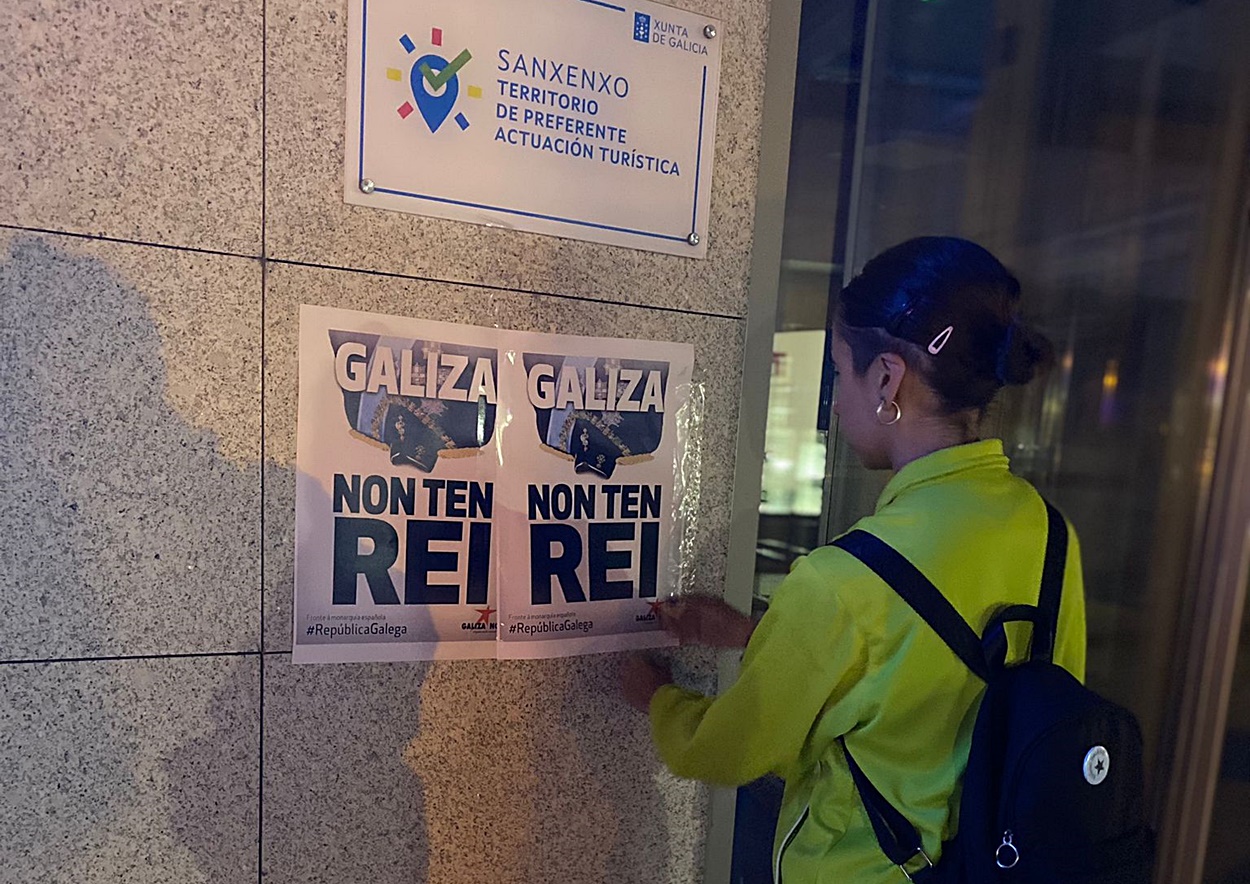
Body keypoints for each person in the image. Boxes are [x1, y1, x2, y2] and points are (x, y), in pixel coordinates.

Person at [620, 237, 1087, 883]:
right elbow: (965, 681)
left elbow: (726, 751)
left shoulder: (844, 578)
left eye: (841, 371)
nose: (836, 402)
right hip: (998, 863)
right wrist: (758, 634)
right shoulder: (1046, 529)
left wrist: (654, 698)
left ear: (889, 378)